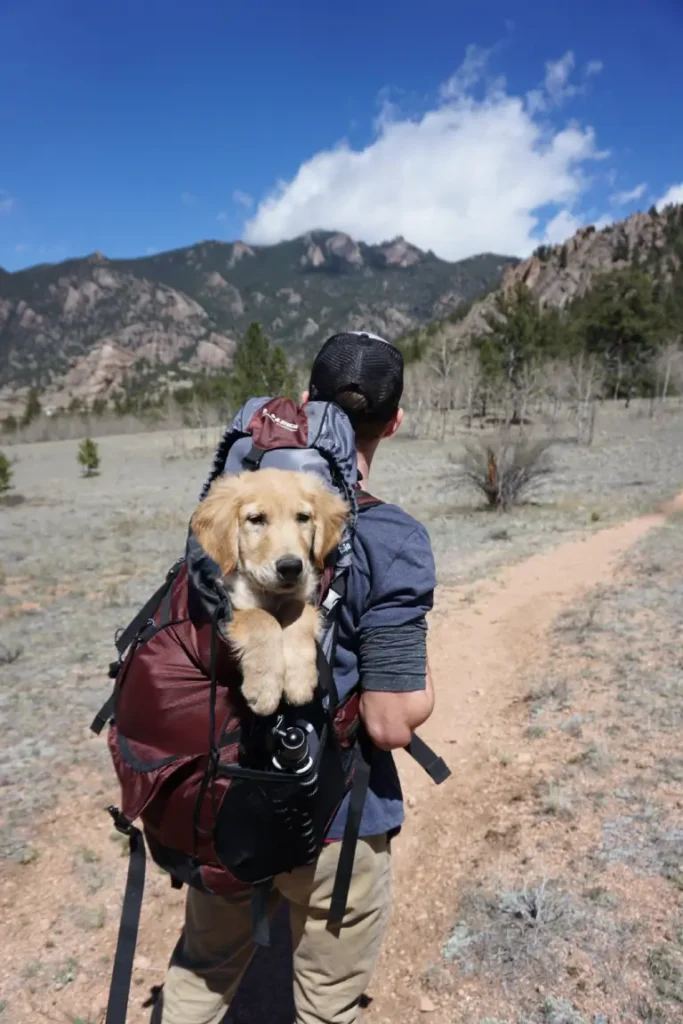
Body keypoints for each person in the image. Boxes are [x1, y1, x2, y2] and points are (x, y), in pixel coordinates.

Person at [155, 331, 437, 1024]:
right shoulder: (393, 538)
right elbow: (389, 720)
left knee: (201, 972)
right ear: (394, 422)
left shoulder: (240, 515)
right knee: (324, 1001)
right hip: (338, 819)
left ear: (306, 406)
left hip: (223, 799)